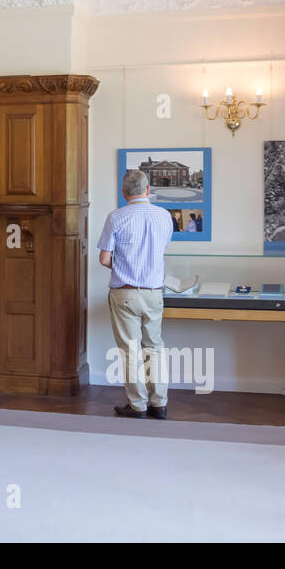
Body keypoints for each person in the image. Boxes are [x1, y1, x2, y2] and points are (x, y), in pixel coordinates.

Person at [97, 169, 174, 419]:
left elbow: (104, 258)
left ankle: (138, 405)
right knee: (154, 347)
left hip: (125, 293)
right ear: (148, 189)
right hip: (154, 293)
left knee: (130, 350)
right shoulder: (164, 216)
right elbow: (160, 250)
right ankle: (159, 404)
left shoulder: (116, 217)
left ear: (124, 193)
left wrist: (121, 266)